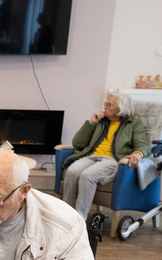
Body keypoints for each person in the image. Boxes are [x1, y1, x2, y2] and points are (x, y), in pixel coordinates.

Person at [61, 91, 151, 219]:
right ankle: (66, 215)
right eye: (106, 104)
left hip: (113, 159)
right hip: (91, 156)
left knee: (88, 176)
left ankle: (79, 220)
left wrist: (138, 154)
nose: (105, 107)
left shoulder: (133, 124)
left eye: (109, 105)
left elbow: (143, 145)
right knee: (71, 172)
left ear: (121, 108)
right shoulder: (101, 121)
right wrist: (91, 123)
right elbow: (78, 143)